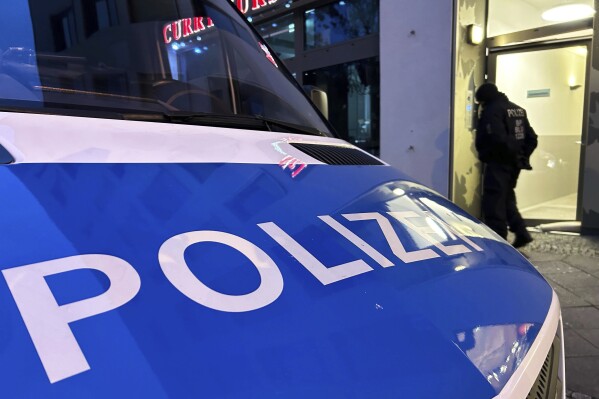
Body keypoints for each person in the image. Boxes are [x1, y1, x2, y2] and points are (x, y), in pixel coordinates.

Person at [475, 82, 538, 248]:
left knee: (494, 202)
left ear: (484, 100)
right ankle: (521, 232)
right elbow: (532, 138)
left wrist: (500, 155)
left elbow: (497, 139)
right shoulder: (517, 110)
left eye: (480, 103)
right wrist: (521, 157)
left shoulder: (492, 111)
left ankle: (499, 244)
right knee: (506, 198)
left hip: (498, 163)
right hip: (514, 165)